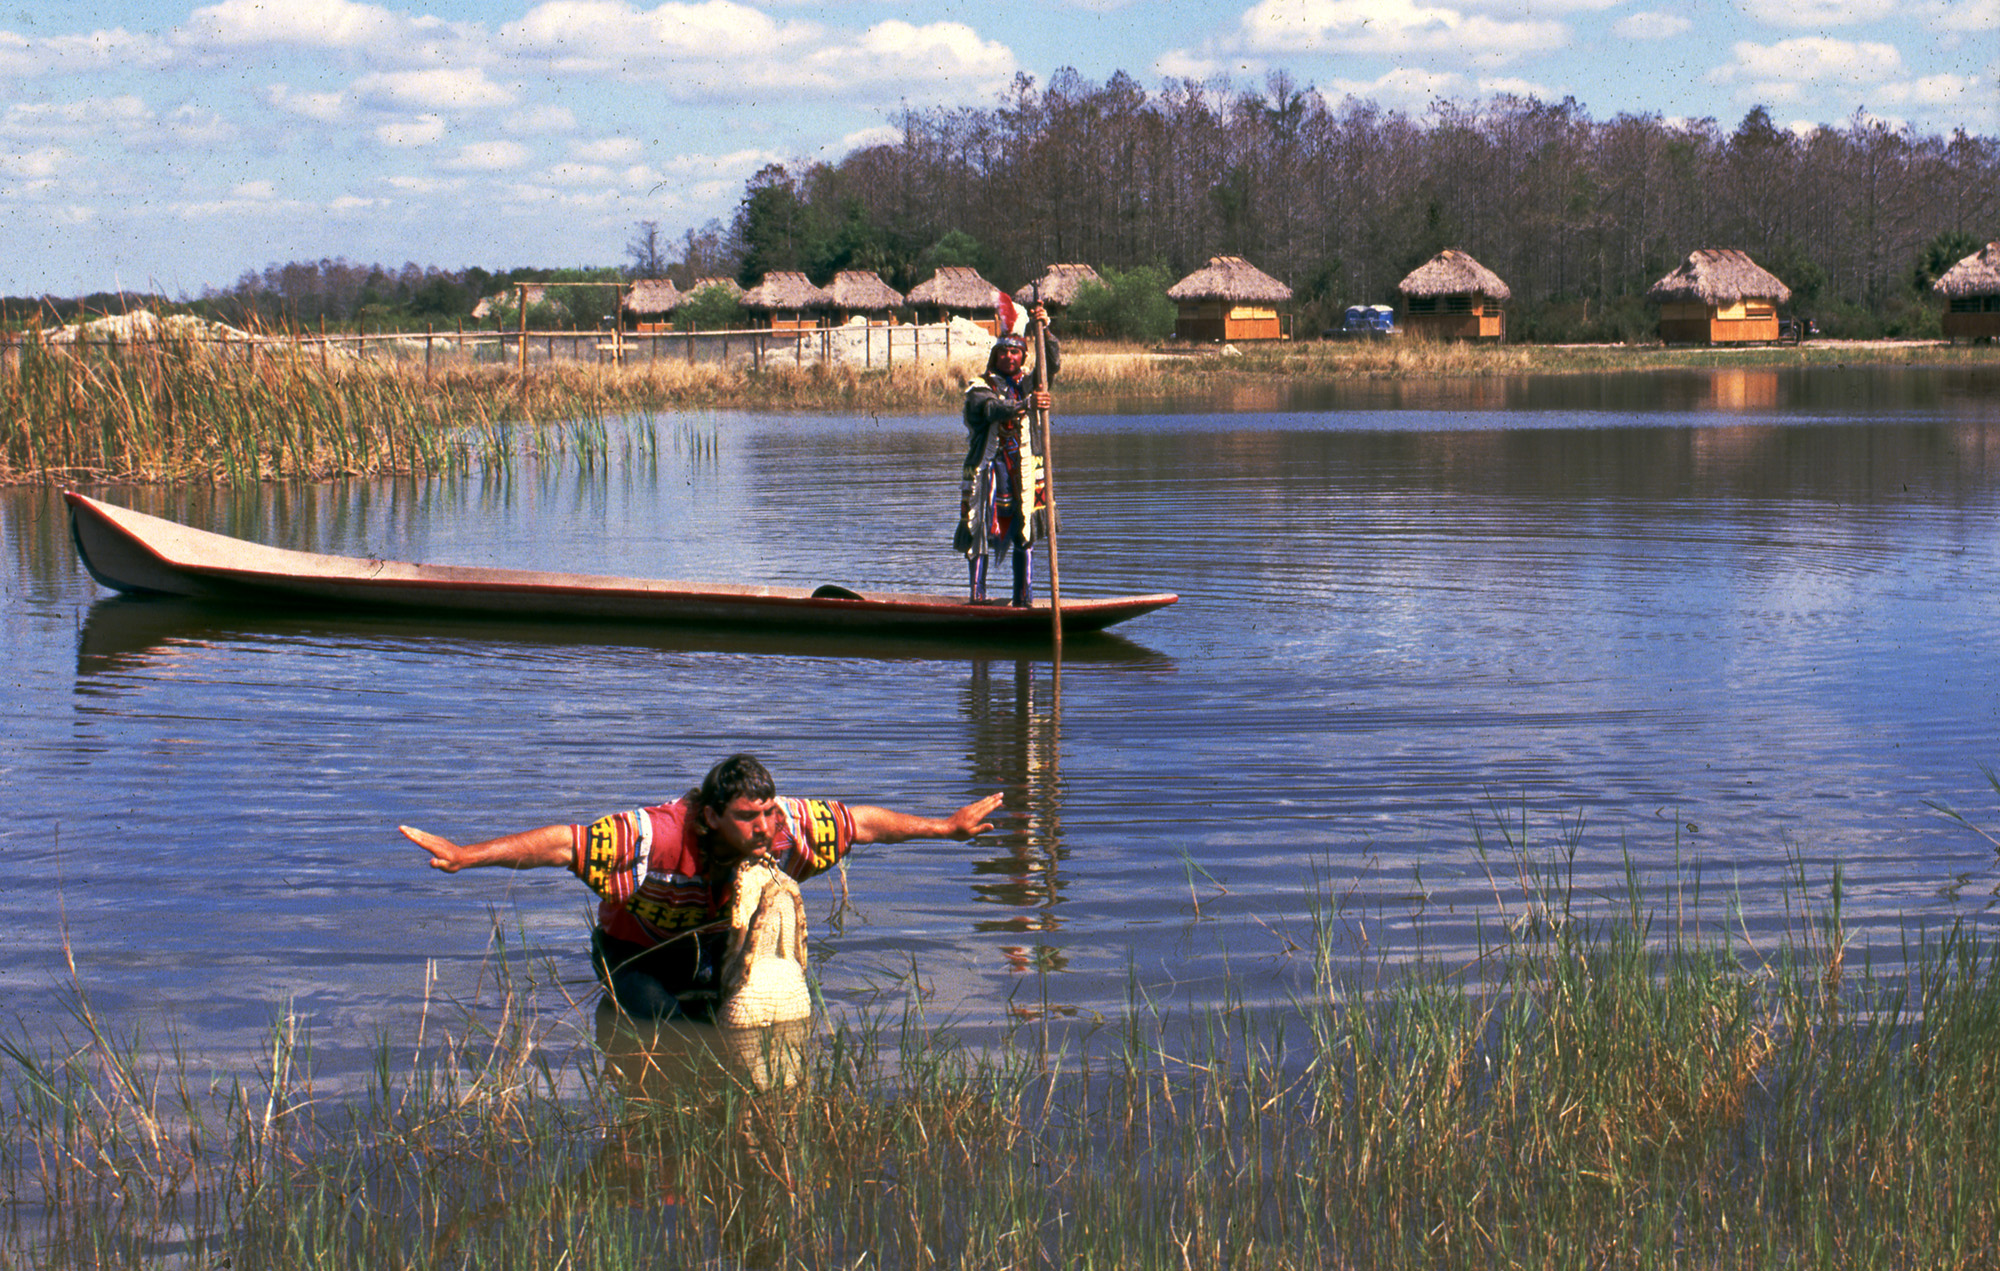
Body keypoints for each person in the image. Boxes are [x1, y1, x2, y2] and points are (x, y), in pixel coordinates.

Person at [402, 754, 1001, 1021]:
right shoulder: (654, 836)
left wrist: (946, 827)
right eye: (748, 817)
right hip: (635, 951)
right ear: (712, 816)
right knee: (664, 1026)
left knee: (763, 1020)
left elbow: (863, 824)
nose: (764, 828)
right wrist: (465, 855)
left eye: (767, 813)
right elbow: (565, 842)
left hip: (712, 946)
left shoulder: (784, 829)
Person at [956, 302, 1059, 606]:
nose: (1009, 357)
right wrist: (1025, 405)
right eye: (1003, 352)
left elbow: (1050, 365)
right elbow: (990, 409)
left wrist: (1045, 329)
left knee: (1024, 529)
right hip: (988, 470)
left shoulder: (1029, 383)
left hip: (1023, 470)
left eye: (1015, 352)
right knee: (978, 530)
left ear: (1023, 356)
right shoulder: (979, 386)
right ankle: (977, 600)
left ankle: (1023, 600)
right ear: (995, 356)